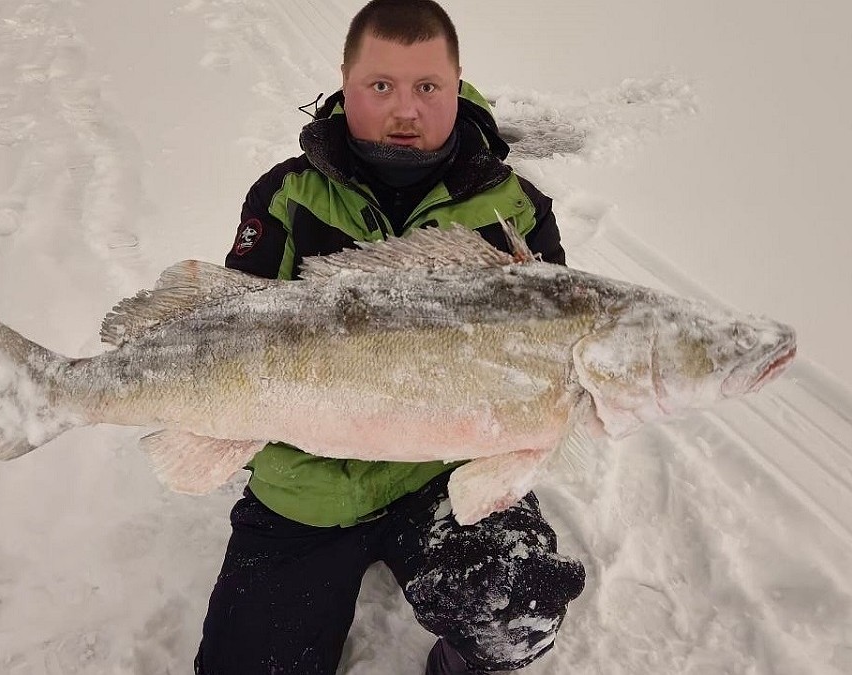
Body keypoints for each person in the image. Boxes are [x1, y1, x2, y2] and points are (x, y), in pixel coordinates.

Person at [196, 1, 585, 673]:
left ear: (457, 83)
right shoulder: (285, 195)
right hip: (305, 481)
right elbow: (232, 327)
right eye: (381, 86)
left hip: (445, 471)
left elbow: (550, 346)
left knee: (516, 605)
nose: (405, 110)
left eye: (427, 87)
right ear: (345, 83)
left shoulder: (516, 207)